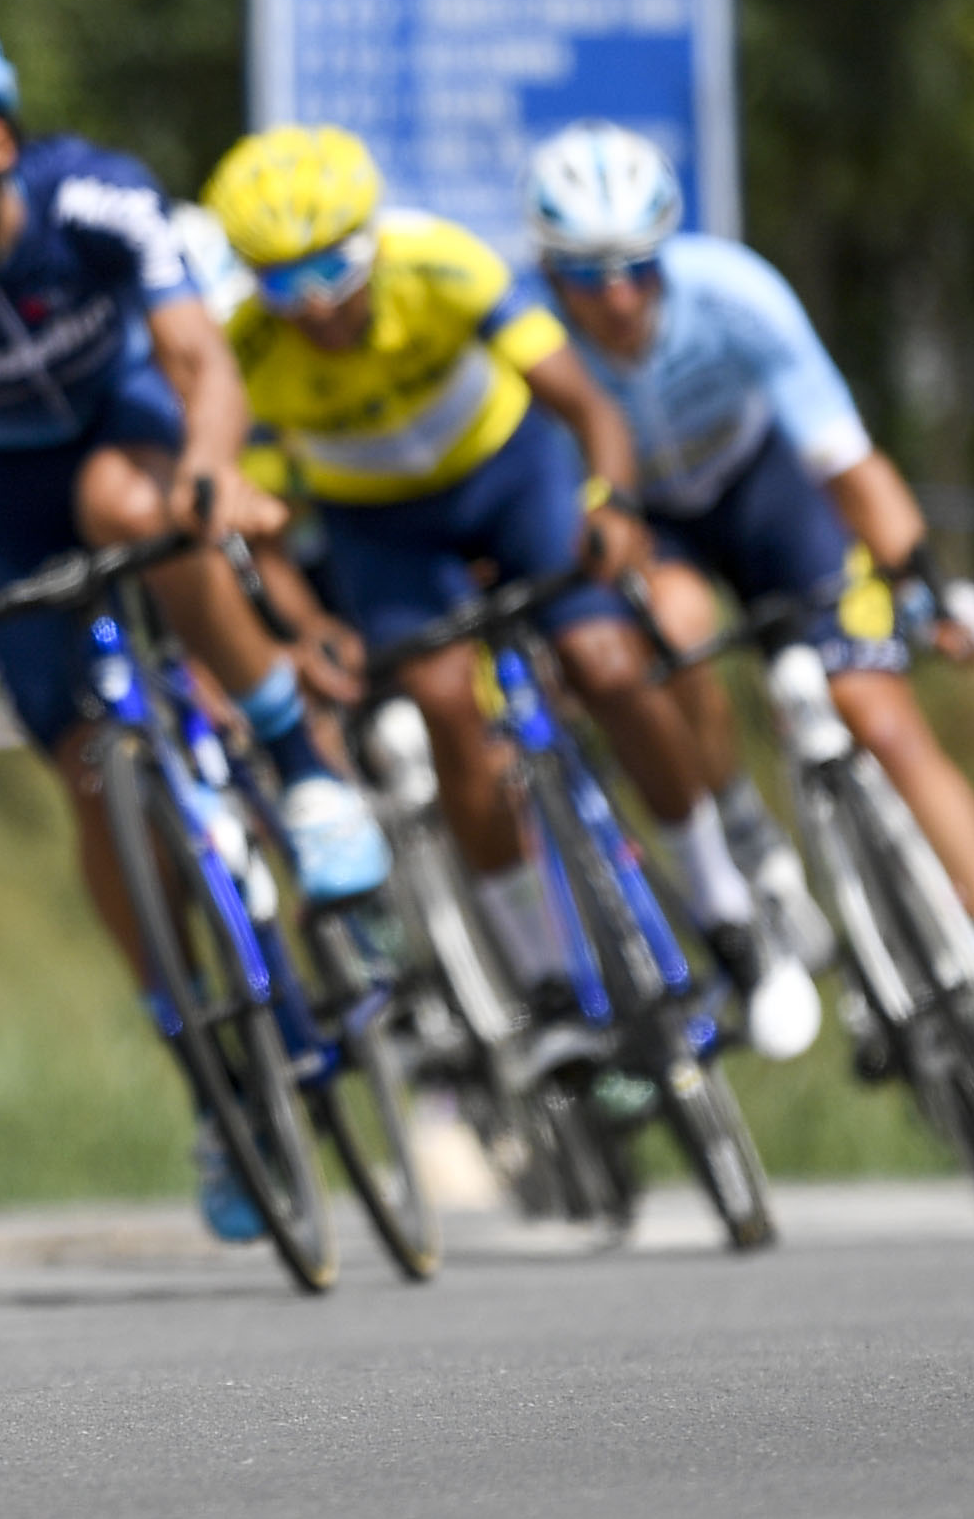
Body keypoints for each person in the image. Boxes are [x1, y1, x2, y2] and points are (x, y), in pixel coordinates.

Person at [0, 10, 388, 1242]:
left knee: (132, 504)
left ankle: (299, 767)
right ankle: (212, 1081)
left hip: (127, 425)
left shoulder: (97, 197)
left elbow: (199, 363)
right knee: (85, 773)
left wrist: (214, 476)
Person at [520, 122, 974, 1132]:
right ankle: (757, 852)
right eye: (586, 274)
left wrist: (924, 582)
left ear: (667, 250)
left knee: (878, 717)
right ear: (550, 273)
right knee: (673, 629)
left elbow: (847, 460)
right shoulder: (532, 349)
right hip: (652, 527)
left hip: (767, 493)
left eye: (636, 267)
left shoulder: (733, 292)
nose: (617, 296)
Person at [199, 123, 822, 1071]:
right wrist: (309, 623)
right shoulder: (243, 352)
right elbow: (263, 521)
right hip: (384, 528)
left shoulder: (443, 266)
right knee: (447, 707)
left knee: (609, 662)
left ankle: (727, 912)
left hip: (509, 478)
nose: (318, 303)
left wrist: (609, 502)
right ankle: (547, 984)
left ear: (373, 243)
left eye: (335, 268)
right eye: (285, 283)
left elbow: (587, 408)